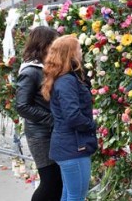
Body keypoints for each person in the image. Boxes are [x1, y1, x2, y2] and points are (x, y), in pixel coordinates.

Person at [41, 35, 96, 201]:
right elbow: (73, 116)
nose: (81, 52)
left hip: (67, 146)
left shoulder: (62, 79)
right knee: (76, 196)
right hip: (73, 147)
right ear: (70, 53)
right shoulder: (67, 81)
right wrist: (92, 124)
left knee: (68, 194)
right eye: (78, 49)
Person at [15, 26, 61, 201]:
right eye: (53, 43)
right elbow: (22, 106)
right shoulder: (30, 71)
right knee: (49, 181)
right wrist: (53, 119)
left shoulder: (42, 68)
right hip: (40, 135)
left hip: (49, 131)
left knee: (56, 181)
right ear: (43, 44)